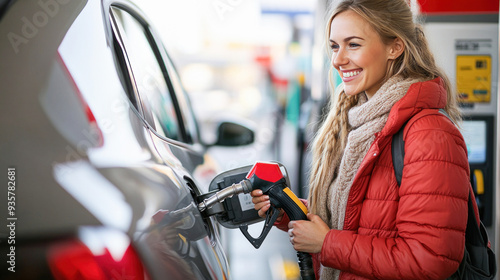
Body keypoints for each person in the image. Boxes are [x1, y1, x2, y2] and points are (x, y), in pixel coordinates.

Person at [251, 0, 477, 279]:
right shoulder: (358, 122)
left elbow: (430, 259)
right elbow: (357, 218)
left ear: (395, 47)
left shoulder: (430, 134)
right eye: (334, 46)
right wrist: (286, 210)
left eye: (353, 45)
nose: (337, 60)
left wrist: (327, 243)